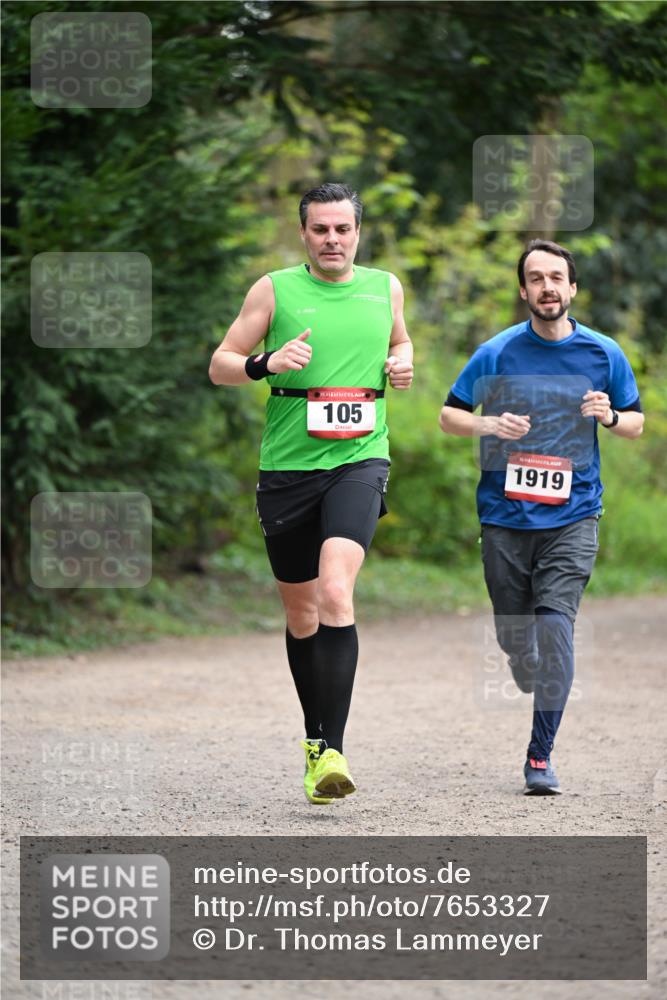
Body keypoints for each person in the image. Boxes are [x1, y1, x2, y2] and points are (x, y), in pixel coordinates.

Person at [209, 182, 413, 804]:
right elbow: (221, 362)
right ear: (304, 233)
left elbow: (398, 340)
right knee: (300, 614)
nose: (332, 239)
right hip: (288, 470)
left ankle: (333, 754)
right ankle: (314, 738)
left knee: (335, 589)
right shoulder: (274, 289)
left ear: (358, 232)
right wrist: (265, 364)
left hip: (359, 458)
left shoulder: (385, 286)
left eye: (342, 229)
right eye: (320, 229)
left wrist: (402, 362)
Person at [439, 239, 644, 795]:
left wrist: (610, 415)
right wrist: (489, 426)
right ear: (523, 289)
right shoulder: (497, 352)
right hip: (504, 517)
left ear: (572, 288)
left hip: (574, 515)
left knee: (556, 627)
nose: (547, 287)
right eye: (536, 278)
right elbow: (448, 415)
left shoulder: (603, 354)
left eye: (557, 277)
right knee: (516, 635)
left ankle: (539, 755)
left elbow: (636, 424)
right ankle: (520, 656)